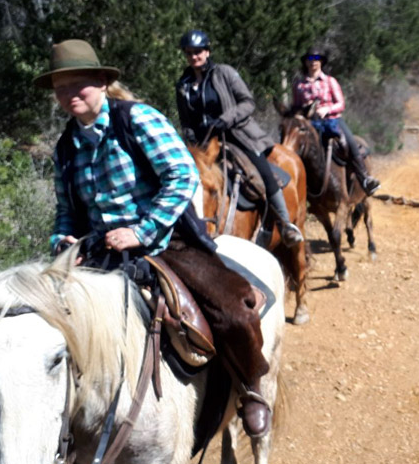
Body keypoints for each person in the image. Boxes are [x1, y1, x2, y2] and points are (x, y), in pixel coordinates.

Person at [37, 38, 273, 438]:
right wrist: (63, 241)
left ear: (100, 82)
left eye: (78, 84)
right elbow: (66, 210)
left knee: (235, 310)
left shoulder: (136, 119)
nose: (69, 94)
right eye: (61, 87)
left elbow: (182, 175)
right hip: (99, 252)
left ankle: (251, 391)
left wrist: (141, 230)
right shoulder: (65, 147)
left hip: (165, 243)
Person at [175, 29, 303, 246]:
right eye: (189, 53)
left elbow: (247, 102)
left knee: (261, 172)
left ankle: (285, 223)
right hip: (203, 143)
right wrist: (188, 133)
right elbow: (185, 118)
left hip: (236, 136)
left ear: (207, 52)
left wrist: (226, 119)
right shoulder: (183, 84)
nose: (193, 56)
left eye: (198, 52)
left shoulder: (224, 73)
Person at [291, 48, 380, 196]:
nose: (313, 61)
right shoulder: (299, 85)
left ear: (321, 62)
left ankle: (365, 178)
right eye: (310, 58)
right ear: (306, 62)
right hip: (309, 124)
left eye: (316, 58)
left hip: (331, 120)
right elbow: (296, 106)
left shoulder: (330, 81)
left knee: (349, 143)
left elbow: (341, 104)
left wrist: (327, 110)